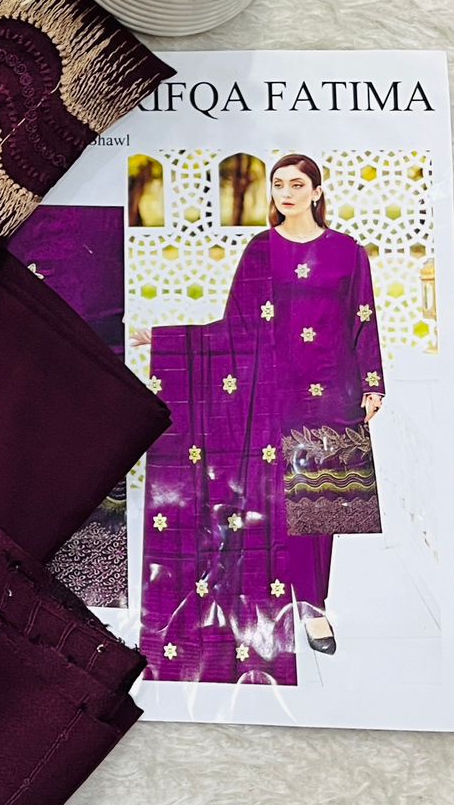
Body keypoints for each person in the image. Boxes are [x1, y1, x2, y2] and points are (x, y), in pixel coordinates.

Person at [134, 154, 385, 675]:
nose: (286, 193)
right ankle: (289, 604)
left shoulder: (348, 251)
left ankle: (314, 605)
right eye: (278, 185)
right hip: (273, 388)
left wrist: (372, 383)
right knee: (280, 502)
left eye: (297, 184)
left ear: (317, 191)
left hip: (333, 391)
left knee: (323, 506)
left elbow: (363, 317)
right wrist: (165, 339)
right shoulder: (261, 250)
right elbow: (235, 324)